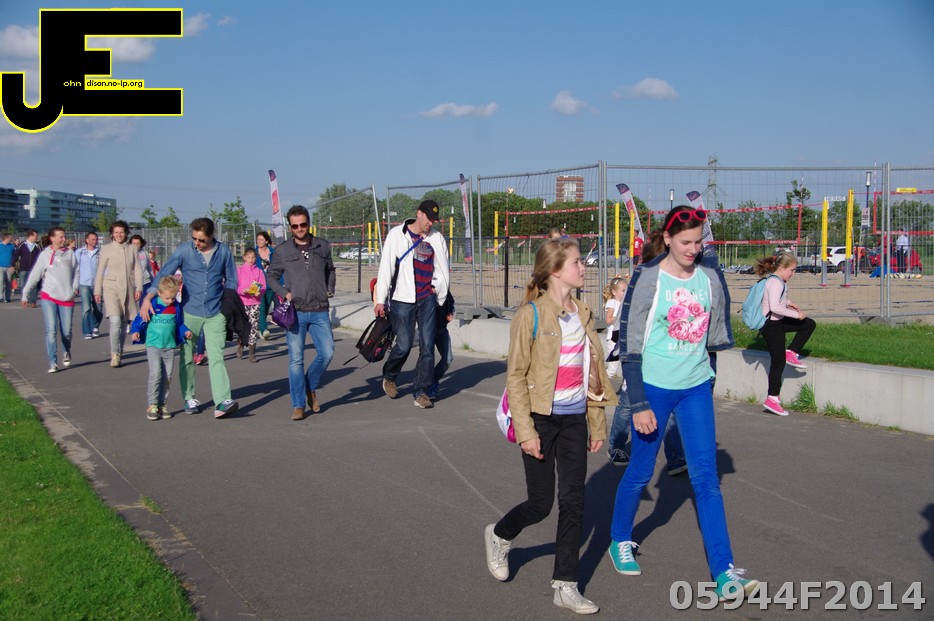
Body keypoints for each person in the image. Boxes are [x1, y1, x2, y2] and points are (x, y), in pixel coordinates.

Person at [608, 205, 758, 599]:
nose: (693, 249)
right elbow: (631, 345)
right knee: (640, 472)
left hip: (695, 388)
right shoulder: (649, 277)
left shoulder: (709, 278)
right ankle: (619, 539)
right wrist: (638, 403)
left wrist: (707, 381)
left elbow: (711, 337)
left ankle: (724, 572)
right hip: (653, 389)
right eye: (686, 242)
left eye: (698, 242)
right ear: (668, 239)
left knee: (706, 479)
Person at [484, 238, 616, 614]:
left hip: (574, 420)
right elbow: (516, 376)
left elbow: (593, 373)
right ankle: (499, 535)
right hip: (540, 419)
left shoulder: (584, 313)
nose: (583, 267)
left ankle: (565, 585)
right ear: (556, 270)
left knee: (574, 502)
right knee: (541, 504)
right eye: (577, 262)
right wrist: (526, 432)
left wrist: (597, 422)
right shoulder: (531, 315)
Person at [141, 217, 239, 419]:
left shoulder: (223, 252)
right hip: (189, 311)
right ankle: (189, 397)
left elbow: (231, 278)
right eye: (194, 238)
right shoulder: (185, 250)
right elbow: (164, 272)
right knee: (187, 357)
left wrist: (227, 305)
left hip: (215, 312)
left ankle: (222, 401)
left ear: (211, 236)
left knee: (217, 356)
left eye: (201, 240)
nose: (197, 243)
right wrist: (148, 298)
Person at [373, 199, 450, 409]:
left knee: (427, 346)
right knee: (404, 345)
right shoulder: (397, 235)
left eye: (434, 220)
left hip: (427, 298)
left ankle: (421, 391)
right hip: (402, 299)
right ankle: (390, 375)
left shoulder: (437, 238)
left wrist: (436, 287)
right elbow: (386, 268)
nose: (430, 223)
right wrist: (380, 300)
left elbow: (443, 268)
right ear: (419, 214)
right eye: (428, 218)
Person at [265, 206, 336, 421]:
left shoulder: (322, 245)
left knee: (327, 352)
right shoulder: (283, 251)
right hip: (295, 312)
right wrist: (284, 293)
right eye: (295, 226)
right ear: (290, 227)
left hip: (319, 309)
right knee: (296, 360)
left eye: (303, 224)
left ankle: (309, 386)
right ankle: (298, 405)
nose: (299, 229)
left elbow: (330, 269)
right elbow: (271, 276)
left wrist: (329, 288)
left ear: (309, 223)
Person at [754, 250, 816, 416]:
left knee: (808, 324)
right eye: (792, 270)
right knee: (778, 362)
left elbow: (776, 300)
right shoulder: (775, 282)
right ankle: (772, 398)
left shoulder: (776, 281)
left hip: (778, 322)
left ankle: (791, 352)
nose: (793, 274)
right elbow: (774, 307)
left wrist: (788, 302)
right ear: (782, 268)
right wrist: (796, 315)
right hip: (771, 325)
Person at [130, 276, 193, 420]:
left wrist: (185, 331)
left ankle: (162, 404)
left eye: (173, 298)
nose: (170, 301)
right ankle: (152, 404)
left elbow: (179, 324)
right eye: (167, 298)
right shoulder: (153, 305)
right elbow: (139, 319)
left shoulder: (176, 307)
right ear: (159, 293)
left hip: (169, 346)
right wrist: (136, 331)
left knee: (167, 376)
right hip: (154, 345)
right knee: (155, 374)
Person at [21, 227, 79, 373]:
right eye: (61, 237)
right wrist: (25, 293)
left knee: (66, 331)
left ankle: (66, 350)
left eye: (64, 237)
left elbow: (76, 272)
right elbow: (35, 275)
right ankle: (53, 362)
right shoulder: (45, 255)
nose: (64, 239)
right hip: (49, 296)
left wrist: (74, 288)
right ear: (52, 238)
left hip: (66, 296)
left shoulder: (70, 254)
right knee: (51, 330)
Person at [94, 221, 142, 368]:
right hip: (111, 288)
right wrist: (97, 291)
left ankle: (119, 351)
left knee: (123, 323)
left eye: (121, 232)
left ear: (126, 233)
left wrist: (139, 287)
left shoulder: (132, 249)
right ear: (112, 234)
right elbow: (100, 270)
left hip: (128, 288)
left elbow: (138, 269)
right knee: (115, 321)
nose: (119, 235)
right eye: (116, 232)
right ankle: (114, 354)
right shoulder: (106, 249)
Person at [235, 247, 265, 362]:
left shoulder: (259, 271)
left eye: (253, 257)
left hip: (255, 302)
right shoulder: (239, 270)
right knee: (243, 326)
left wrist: (259, 292)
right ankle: (241, 344)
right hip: (242, 302)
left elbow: (263, 286)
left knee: (253, 327)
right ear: (244, 258)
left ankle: (252, 353)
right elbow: (235, 285)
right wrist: (242, 291)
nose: (251, 260)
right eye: (249, 257)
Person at [74, 232, 103, 339]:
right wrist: (75, 285)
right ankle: (87, 331)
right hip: (84, 283)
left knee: (98, 308)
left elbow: (104, 269)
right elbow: (76, 269)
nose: (95, 241)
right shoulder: (80, 252)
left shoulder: (100, 253)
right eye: (92, 239)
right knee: (86, 308)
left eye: (96, 239)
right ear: (87, 240)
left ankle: (95, 326)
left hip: (97, 284)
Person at [427, 291, 455, 401]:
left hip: (442, 329)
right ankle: (426, 387)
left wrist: (450, 312)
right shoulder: (425, 288)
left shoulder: (445, 290)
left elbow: (450, 302)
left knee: (448, 358)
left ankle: (434, 380)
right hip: (427, 330)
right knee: (428, 359)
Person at [603, 276, 625, 379]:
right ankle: (603, 385)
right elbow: (608, 320)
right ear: (614, 292)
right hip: (613, 339)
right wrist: (621, 317)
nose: (626, 292)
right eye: (623, 290)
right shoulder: (612, 302)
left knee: (626, 365)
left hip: (623, 338)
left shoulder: (625, 304)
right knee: (612, 368)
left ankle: (625, 386)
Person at [255, 231, 276, 340]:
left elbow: (278, 267)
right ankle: (264, 330)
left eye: (261, 239)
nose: (258, 241)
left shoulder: (273, 253)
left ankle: (259, 328)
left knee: (266, 307)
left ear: (266, 241)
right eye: (257, 239)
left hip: (271, 284)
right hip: (258, 285)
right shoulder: (254, 253)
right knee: (262, 307)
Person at [13, 230, 41, 307]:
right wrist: (12, 265)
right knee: (23, 285)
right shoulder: (22, 245)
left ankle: (33, 301)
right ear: (30, 236)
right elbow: (16, 255)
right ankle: (24, 299)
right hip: (23, 269)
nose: (37, 237)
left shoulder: (37, 246)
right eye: (35, 236)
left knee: (33, 286)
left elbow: (41, 258)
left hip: (33, 269)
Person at [0, 232, 14, 303]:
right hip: (0, 267)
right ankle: (1, 297)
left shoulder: (12, 246)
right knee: (1, 281)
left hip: (9, 267)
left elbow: (14, 256)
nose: (11, 239)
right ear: (6, 238)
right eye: (10, 237)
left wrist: (13, 265)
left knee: (8, 282)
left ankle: (8, 297)